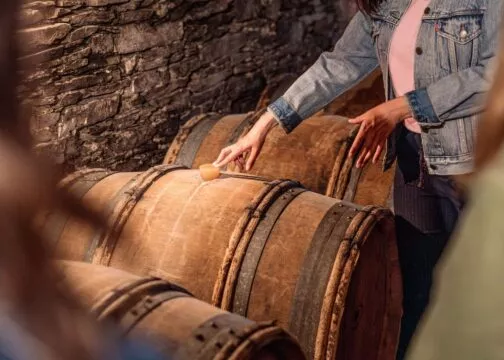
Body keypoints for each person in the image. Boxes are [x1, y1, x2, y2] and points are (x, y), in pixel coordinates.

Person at [213, 0, 503, 359]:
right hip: (415, 163)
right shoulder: (388, 2)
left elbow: (492, 72)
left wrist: (401, 107)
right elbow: (340, 63)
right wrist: (264, 125)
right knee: (417, 300)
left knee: (485, 296)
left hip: (474, 165)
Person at [406, 22, 504, 360]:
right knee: (422, 284)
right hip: (412, 155)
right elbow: (343, 61)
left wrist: (405, 106)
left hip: (460, 158)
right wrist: (273, 119)